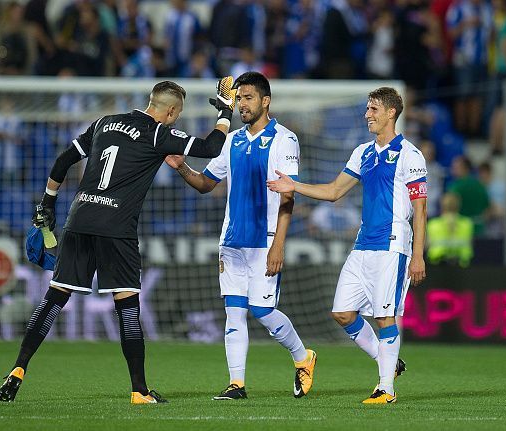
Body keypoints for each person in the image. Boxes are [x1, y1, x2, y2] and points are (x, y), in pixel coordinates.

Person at [0, 78, 237, 405]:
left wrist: (47, 204)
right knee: (127, 307)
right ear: (169, 111)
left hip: (79, 219)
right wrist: (225, 112)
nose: (175, 121)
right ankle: (139, 391)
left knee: (55, 297)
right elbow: (211, 147)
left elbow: (63, 160)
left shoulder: (103, 123)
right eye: (176, 116)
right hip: (116, 227)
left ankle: (18, 369)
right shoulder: (157, 133)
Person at [267, 87, 427, 404]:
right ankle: (389, 363)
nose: (367, 114)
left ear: (391, 112)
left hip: (393, 244)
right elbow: (333, 191)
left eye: (373, 109)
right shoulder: (363, 152)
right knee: (342, 312)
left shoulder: (411, 155)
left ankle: (386, 389)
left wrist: (418, 254)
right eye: (367, 109)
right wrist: (293, 185)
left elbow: (420, 209)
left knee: (385, 318)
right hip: (363, 242)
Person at [165, 72, 316, 401]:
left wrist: (279, 245)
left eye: (248, 98)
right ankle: (237, 384)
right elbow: (207, 184)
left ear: (266, 101)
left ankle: (303, 357)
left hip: (265, 240)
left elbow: (288, 196)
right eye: (238, 98)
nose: (241, 104)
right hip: (232, 241)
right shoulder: (231, 140)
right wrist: (182, 168)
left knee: (262, 311)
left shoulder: (284, 139)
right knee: (234, 311)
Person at [427, 192, 474, 267]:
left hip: (437, 266)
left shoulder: (433, 224)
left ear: (442, 206)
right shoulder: (467, 224)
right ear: (458, 206)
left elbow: (427, 246)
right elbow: (470, 244)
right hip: (462, 267)